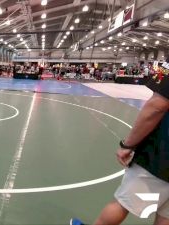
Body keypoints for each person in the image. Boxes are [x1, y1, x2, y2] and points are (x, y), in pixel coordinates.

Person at [71, 66, 169, 225]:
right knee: (166, 215)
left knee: (122, 203)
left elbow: (157, 106)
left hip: (162, 154)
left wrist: (128, 144)